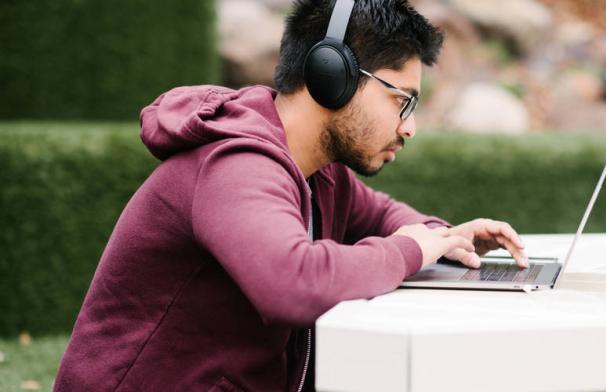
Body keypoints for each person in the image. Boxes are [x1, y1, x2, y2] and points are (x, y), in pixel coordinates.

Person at [54, 0, 528, 390]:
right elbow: (293, 283)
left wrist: (444, 236)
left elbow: (385, 215)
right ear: (332, 76)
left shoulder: (320, 173)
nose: (409, 127)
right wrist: (411, 248)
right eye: (400, 99)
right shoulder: (235, 165)